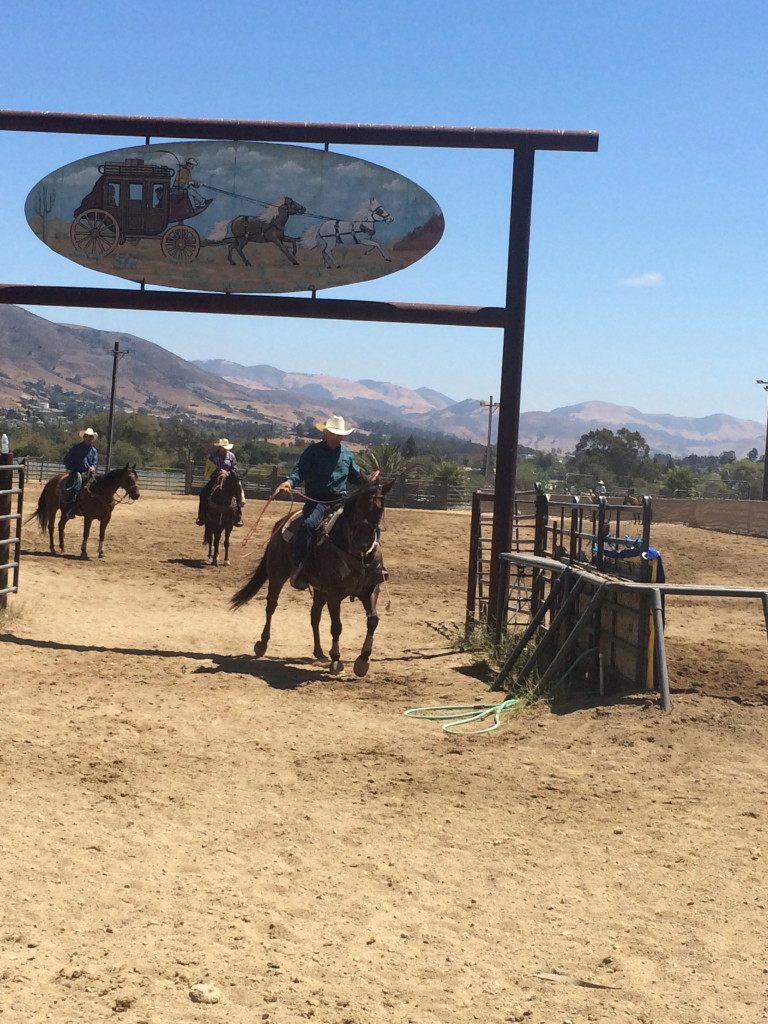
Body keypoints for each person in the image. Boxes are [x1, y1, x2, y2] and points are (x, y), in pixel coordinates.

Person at [275, 415, 366, 590]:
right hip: (317, 500)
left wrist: (369, 482)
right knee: (308, 525)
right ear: (325, 432)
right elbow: (299, 471)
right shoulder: (313, 451)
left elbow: (356, 477)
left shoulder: (347, 454)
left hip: (341, 500)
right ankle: (300, 567)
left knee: (366, 524)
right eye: (333, 433)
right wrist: (289, 482)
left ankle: (370, 566)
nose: (336, 437)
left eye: (339, 435)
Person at [197, 438, 244, 526]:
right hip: (216, 478)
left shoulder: (231, 456)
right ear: (219, 447)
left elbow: (234, 468)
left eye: (226, 448)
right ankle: (201, 516)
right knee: (203, 494)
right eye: (223, 447)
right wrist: (219, 472)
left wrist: (227, 473)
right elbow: (209, 469)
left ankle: (238, 517)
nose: (225, 449)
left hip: (229, 479)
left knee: (238, 493)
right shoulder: (213, 456)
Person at [62, 427, 99, 519]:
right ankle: (70, 508)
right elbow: (66, 459)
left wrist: (93, 467)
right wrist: (73, 468)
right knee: (76, 486)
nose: (89, 438)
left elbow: (95, 462)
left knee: (98, 487)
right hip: (77, 472)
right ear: (84, 437)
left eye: (91, 437)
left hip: (89, 473)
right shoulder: (76, 448)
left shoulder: (94, 451)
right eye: (88, 436)